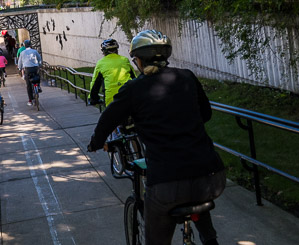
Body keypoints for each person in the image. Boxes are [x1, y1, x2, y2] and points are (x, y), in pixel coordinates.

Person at [87, 30, 226, 245]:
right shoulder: (187, 76)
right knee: (195, 191)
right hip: (212, 177)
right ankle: (211, 240)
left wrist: (96, 143)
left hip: (167, 184)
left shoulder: (134, 89)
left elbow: (108, 118)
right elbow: (205, 114)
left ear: (139, 60)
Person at [88, 38, 136, 106]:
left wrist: (92, 98)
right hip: (128, 96)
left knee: (110, 116)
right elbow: (134, 77)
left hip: (111, 100)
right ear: (116, 50)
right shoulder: (124, 60)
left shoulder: (101, 63)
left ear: (104, 51)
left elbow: (95, 83)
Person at [17, 39, 43, 107]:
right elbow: (39, 59)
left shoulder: (22, 53)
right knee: (37, 77)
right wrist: (39, 65)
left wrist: (20, 68)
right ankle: (38, 86)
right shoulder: (34, 51)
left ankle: (30, 100)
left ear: (24, 45)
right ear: (30, 45)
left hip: (27, 69)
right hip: (35, 67)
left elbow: (20, 62)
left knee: (28, 85)